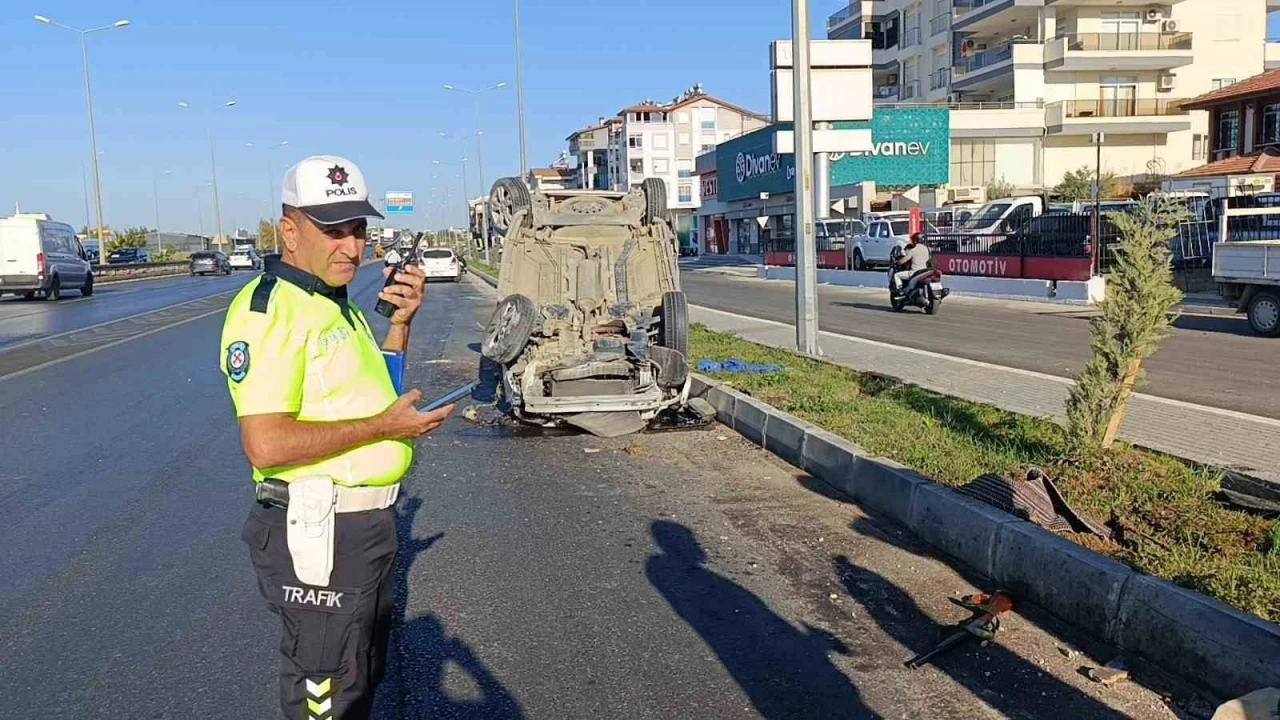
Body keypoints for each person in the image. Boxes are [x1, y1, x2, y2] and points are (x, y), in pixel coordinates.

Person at [220, 155, 455, 719]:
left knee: (360, 674)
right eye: (333, 231)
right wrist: (385, 428)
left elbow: (372, 396)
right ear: (290, 232)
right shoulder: (270, 312)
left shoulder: (330, 303)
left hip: (363, 528)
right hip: (320, 532)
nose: (351, 247)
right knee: (325, 693)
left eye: (358, 230)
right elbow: (266, 444)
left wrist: (399, 325)